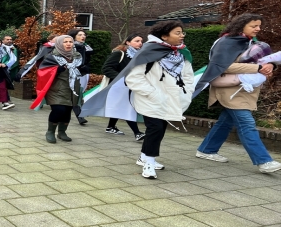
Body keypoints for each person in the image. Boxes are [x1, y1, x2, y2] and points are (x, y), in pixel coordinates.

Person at [195, 13, 280, 173]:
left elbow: (262, 61)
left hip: (240, 90)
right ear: (242, 25)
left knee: (226, 122)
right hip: (229, 90)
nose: (258, 28)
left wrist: (271, 66)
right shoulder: (226, 42)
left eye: (259, 25)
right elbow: (221, 66)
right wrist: (258, 68)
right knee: (246, 124)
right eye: (254, 26)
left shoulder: (250, 42)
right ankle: (264, 161)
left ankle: (206, 150)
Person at [124, 20, 194, 179]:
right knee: (155, 129)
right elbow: (133, 78)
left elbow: (188, 76)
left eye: (182, 32)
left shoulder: (182, 53)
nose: (182, 35)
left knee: (160, 128)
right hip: (150, 100)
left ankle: (143, 157)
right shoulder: (149, 52)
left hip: (171, 99)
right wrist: (153, 94)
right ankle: (149, 162)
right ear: (164, 36)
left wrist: (187, 91)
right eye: (177, 33)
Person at [31, 35, 83, 143]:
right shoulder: (52, 57)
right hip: (56, 88)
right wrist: (56, 70)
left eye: (70, 41)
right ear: (59, 43)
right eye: (65, 42)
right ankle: (50, 132)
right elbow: (42, 71)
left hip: (72, 88)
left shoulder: (77, 56)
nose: (68, 44)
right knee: (59, 109)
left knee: (67, 111)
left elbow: (80, 69)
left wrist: (84, 69)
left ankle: (62, 132)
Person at [101, 33, 146, 140]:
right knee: (127, 107)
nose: (140, 43)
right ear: (128, 42)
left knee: (119, 106)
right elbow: (106, 68)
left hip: (132, 86)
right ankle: (137, 133)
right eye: (137, 41)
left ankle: (111, 126)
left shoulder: (140, 56)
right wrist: (122, 79)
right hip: (118, 87)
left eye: (141, 41)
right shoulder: (119, 53)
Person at [68, 29, 94, 125]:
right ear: (74, 36)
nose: (83, 36)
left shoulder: (86, 46)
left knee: (80, 93)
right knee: (75, 94)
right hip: (76, 73)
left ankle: (77, 112)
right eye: (80, 35)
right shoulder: (72, 46)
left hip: (85, 72)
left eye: (84, 34)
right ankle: (79, 115)